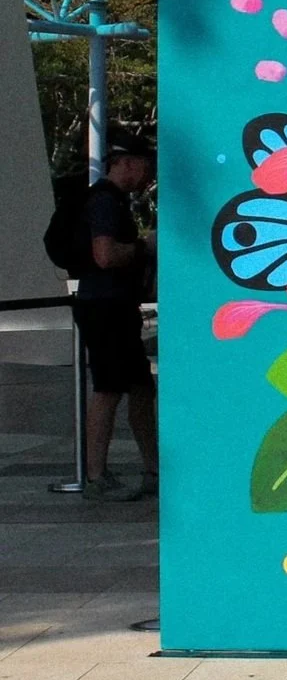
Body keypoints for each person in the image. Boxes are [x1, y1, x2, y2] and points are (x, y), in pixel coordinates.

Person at [74, 135, 158, 501]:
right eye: (143, 165)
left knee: (141, 387)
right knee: (108, 389)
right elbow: (105, 256)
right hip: (104, 306)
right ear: (125, 163)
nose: (147, 175)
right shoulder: (105, 202)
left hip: (115, 306)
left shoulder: (114, 201)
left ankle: (153, 467)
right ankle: (96, 476)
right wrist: (144, 246)